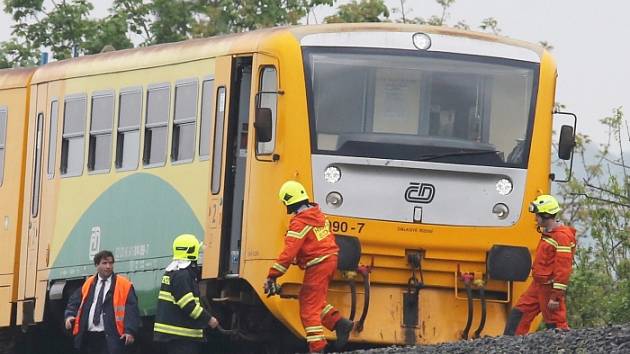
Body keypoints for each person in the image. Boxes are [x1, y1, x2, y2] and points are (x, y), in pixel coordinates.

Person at [264, 180, 354, 353]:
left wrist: (273, 275)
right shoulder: (318, 215)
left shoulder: (300, 222)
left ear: (287, 202)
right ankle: (339, 323)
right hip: (329, 260)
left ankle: (318, 348)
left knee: (308, 309)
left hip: (319, 264)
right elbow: (312, 244)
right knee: (311, 298)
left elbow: (289, 252)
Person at [503, 195, 577, 335]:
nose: (535, 219)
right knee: (519, 314)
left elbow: (563, 269)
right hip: (538, 285)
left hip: (549, 288)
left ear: (545, 215)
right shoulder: (549, 234)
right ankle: (510, 345)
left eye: (537, 215)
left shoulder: (561, 237)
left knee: (555, 324)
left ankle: (561, 348)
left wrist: (555, 296)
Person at [153, 234, 219, 354]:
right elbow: (188, 305)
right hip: (182, 336)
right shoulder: (182, 276)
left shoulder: (172, 272)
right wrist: (209, 319)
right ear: (191, 252)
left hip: (175, 335)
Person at [64, 250, 140, 354]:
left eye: (111, 263)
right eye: (104, 263)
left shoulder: (124, 285)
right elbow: (74, 302)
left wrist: (130, 331)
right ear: (96, 265)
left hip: (111, 337)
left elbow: (132, 310)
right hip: (89, 336)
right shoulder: (89, 283)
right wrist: (69, 316)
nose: (108, 266)